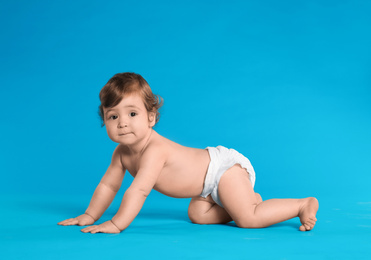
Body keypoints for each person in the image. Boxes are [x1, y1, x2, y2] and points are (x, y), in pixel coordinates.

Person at [58, 72, 319, 234]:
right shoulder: (121, 153)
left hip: (222, 170)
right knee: (197, 216)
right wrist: (90, 215)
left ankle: (300, 204)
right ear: (104, 120)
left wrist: (116, 223)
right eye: (113, 116)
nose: (122, 122)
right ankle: (243, 200)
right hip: (204, 190)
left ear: (151, 118)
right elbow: (108, 185)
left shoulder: (155, 150)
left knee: (248, 220)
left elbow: (138, 190)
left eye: (132, 113)